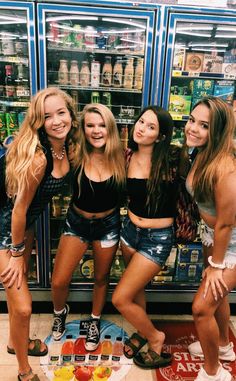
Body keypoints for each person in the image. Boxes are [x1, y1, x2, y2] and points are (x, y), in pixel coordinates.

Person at [0, 87, 78, 381]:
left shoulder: (66, 146)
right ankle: (23, 371)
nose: (57, 121)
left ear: (70, 112)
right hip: (6, 231)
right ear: (38, 121)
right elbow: (18, 209)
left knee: (13, 296)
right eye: (47, 116)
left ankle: (13, 343)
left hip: (24, 228)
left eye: (61, 112)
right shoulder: (39, 158)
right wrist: (17, 253)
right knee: (23, 307)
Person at [112, 105, 187, 369]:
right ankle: (142, 331)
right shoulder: (128, 155)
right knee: (135, 290)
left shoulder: (173, 158)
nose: (141, 128)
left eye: (151, 126)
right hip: (129, 233)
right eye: (141, 121)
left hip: (157, 239)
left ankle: (155, 337)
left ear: (161, 136)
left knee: (120, 298)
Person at [51, 103, 126, 350]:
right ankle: (60, 312)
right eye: (90, 125)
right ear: (82, 129)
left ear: (110, 128)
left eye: (102, 125)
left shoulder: (122, 157)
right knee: (60, 281)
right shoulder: (74, 153)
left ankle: (95, 320)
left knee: (101, 278)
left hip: (108, 225)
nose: (96, 130)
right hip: (77, 223)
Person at [185, 97, 236, 381]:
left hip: (231, 243)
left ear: (217, 131)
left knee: (201, 309)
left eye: (204, 125)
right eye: (192, 120)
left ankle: (214, 372)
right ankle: (224, 346)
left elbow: (228, 222)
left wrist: (217, 265)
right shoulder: (202, 152)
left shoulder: (226, 168)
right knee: (218, 298)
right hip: (214, 235)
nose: (192, 128)